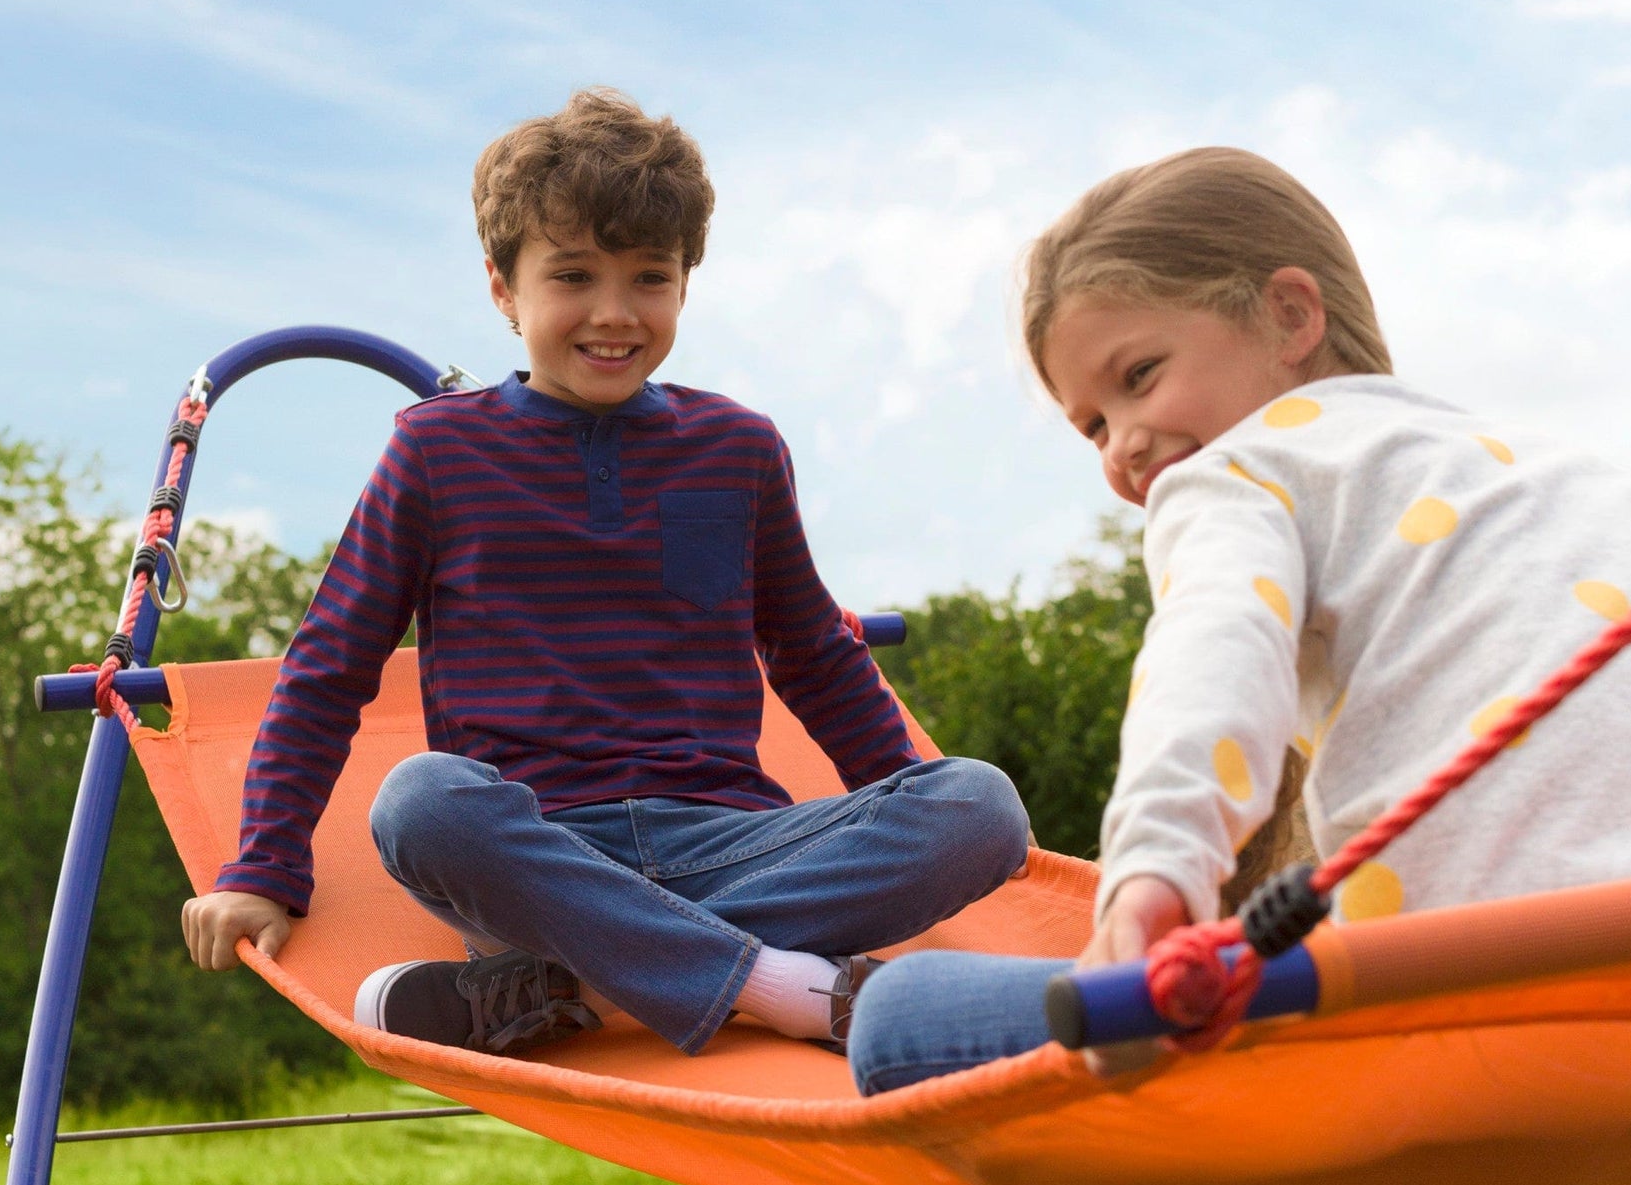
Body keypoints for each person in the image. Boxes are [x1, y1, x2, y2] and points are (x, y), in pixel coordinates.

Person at [848, 146, 1631, 1094]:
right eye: (1092, 426)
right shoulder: (1596, 480)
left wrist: (1155, 873)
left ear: (1292, 316)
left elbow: (1213, 664)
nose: (1124, 446)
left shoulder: (1240, 471)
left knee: (896, 1017)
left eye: (1138, 375)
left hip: (1479, 1012)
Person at [180, 88, 1029, 1058]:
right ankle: (781, 984)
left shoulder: (736, 450)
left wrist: (914, 821)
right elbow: (326, 669)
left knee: (976, 807)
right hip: (536, 851)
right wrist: (263, 865)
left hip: (731, 843)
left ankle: (573, 980)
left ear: (684, 282)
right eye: (573, 277)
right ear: (503, 289)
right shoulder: (435, 453)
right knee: (421, 801)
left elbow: (818, 660)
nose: (614, 313)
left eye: (649, 278)